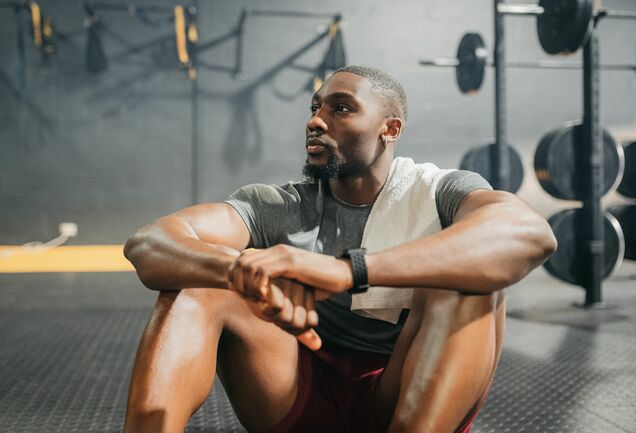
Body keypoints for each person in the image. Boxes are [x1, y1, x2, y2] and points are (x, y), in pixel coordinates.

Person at [122, 65, 557, 433]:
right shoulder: (276, 204)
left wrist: (353, 270)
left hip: (402, 398)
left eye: (341, 108)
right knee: (197, 287)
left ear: (390, 129)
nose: (316, 120)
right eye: (315, 108)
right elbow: (148, 244)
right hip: (298, 392)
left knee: (469, 280)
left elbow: (530, 235)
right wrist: (242, 270)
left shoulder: (441, 190)